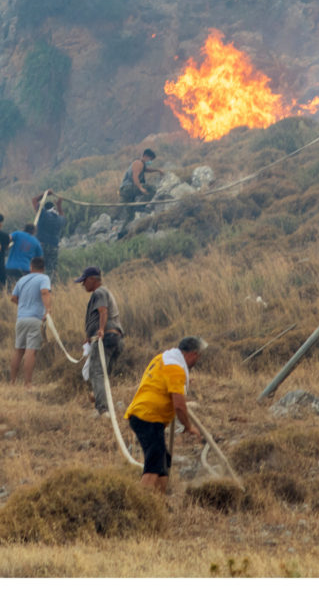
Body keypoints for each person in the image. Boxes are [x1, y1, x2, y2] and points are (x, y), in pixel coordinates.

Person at [124, 337, 207, 493]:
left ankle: (160, 502)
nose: (198, 360)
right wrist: (188, 427)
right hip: (148, 417)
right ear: (193, 354)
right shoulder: (175, 368)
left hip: (143, 414)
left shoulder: (162, 358)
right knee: (154, 464)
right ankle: (141, 504)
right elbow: (179, 406)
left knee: (163, 461)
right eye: (198, 356)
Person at [76, 267, 124, 416]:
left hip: (106, 337)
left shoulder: (99, 292)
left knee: (96, 372)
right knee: (103, 374)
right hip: (114, 337)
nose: (83, 284)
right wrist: (90, 335)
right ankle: (104, 403)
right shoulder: (103, 292)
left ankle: (102, 409)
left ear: (92, 279)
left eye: (84, 281)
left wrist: (101, 330)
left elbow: (103, 311)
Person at [9, 257, 51, 387]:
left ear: (31, 267)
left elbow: (13, 298)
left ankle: (12, 382)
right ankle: (27, 383)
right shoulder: (44, 278)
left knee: (18, 350)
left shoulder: (22, 280)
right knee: (31, 351)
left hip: (21, 319)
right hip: (35, 319)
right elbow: (44, 292)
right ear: (43, 269)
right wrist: (48, 310)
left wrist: (23, 305)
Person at [32, 191, 67, 280]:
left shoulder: (43, 215)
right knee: (52, 270)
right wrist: (59, 205)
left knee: (38, 267)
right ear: (53, 208)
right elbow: (63, 216)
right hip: (53, 247)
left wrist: (45, 194)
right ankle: (51, 287)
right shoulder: (59, 219)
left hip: (41, 245)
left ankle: (38, 284)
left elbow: (34, 200)